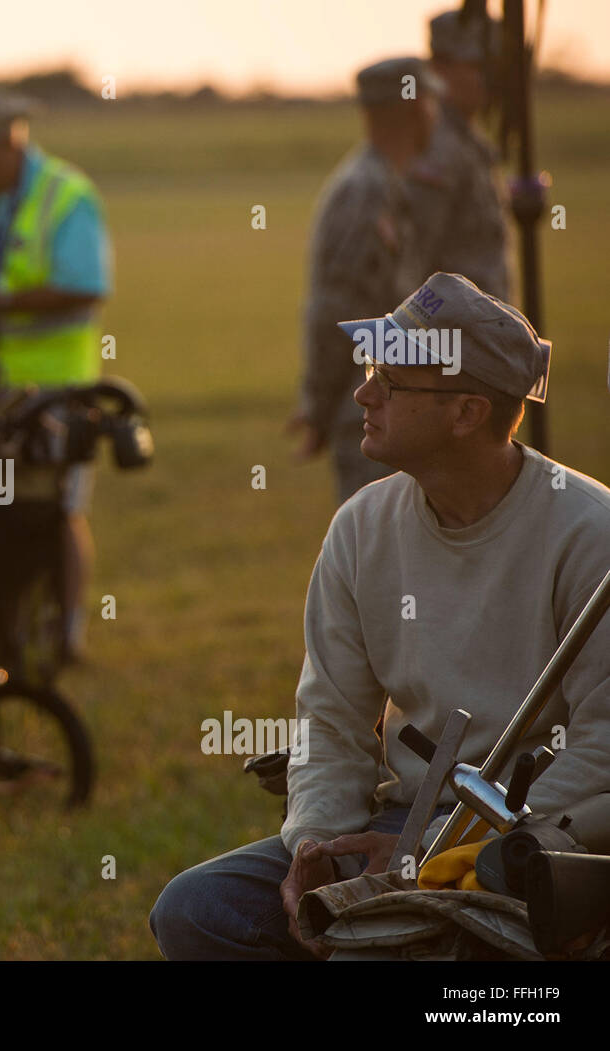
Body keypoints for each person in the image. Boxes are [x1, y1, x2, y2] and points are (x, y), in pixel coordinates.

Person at [150, 272, 610, 960]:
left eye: (391, 381)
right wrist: (319, 846)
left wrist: (432, 853)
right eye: (370, 371)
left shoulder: (589, 533)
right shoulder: (361, 527)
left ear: (467, 412)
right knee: (196, 910)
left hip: (529, 841)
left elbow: (602, 747)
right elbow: (331, 717)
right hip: (397, 825)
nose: (364, 393)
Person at [0, 84, 114, 660]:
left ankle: (69, 630)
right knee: (1, 508)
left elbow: (86, 289)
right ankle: (11, 625)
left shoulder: (68, 193)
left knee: (60, 510)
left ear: (10, 142)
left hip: (62, 385)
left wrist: (0, 297)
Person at [288, 57, 440, 505]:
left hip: (391, 407)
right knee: (376, 556)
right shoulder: (364, 191)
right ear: (416, 110)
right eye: (431, 102)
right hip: (373, 412)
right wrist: (318, 406)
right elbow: (336, 308)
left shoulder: (388, 182)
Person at [410, 8, 511, 299]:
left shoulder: (469, 143)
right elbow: (415, 264)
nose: (490, 78)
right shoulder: (437, 147)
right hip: (451, 337)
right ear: (439, 69)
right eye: (478, 66)